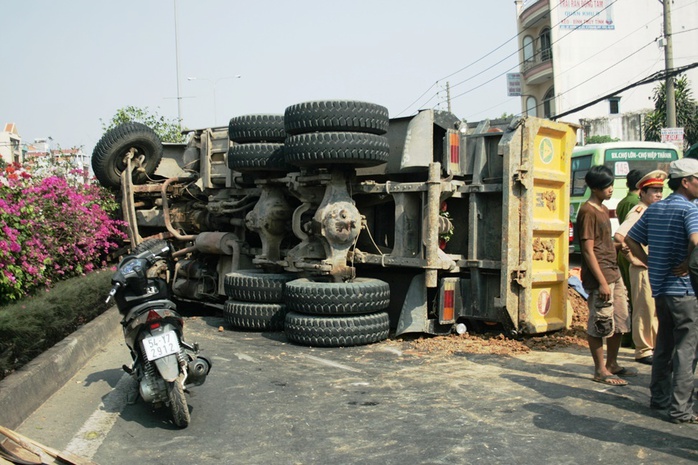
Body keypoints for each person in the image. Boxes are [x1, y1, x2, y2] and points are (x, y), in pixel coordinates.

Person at [625, 157, 698, 424]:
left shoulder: (654, 209)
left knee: (664, 345)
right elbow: (696, 240)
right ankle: (681, 409)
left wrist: (646, 262)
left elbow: (631, 239)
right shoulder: (690, 210)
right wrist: (687, 263)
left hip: (661, 290)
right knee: (686, 350)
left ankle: (659, 398)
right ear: (686, 182)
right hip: (684, 290)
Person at [577, 165, 633, 386]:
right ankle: (600, 370)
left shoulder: (601, 209)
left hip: (613, 271)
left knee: (619, 321)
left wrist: (617, 247)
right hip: (602, 276)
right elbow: (588, 250)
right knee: (600, 324)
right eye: (606, 186)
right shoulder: (587, 211)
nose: (610, 189)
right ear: (595, 188)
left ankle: (612, 364)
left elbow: (602, 243)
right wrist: (601, 282)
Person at [613, 170, 667, 366]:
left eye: (660, 190)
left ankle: (650, 347)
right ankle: (643, 349)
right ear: (642, 193)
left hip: (651, 267)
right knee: (643, 308)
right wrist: (633, 258)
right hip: (643, 267)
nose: (659, 194)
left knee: (652, 308)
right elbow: (620, 236)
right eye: (654, 190)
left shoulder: (651, 210)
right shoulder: (640, 211)